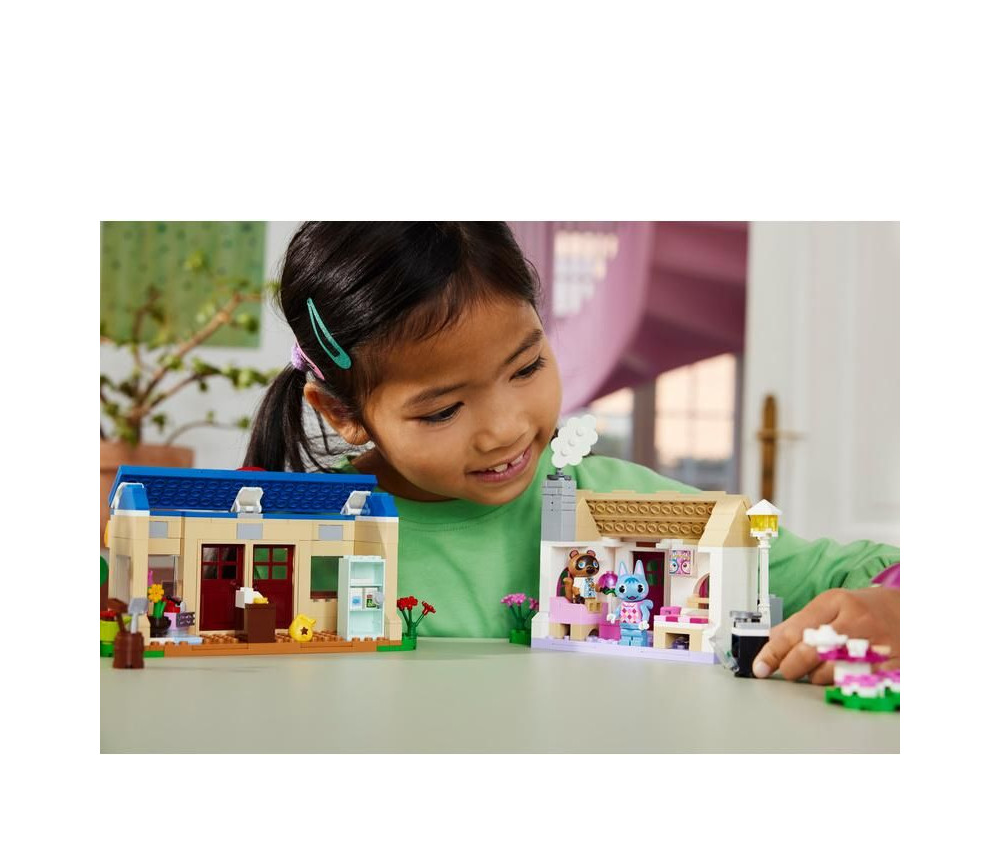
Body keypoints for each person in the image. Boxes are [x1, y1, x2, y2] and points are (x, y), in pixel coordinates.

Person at [244, 222, 899, 682]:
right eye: (443, 410)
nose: (504, 430)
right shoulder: (303, 535)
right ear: (343, 414)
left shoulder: (618, 502)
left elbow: (863, 569)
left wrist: (892, 607)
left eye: (527, 367)